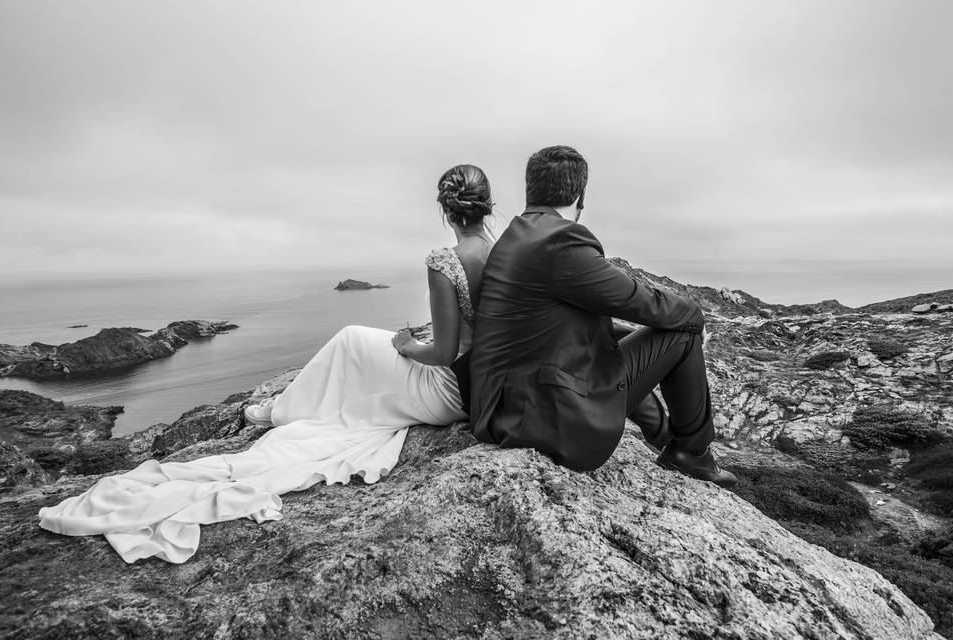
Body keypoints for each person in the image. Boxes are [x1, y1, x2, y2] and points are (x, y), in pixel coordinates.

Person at [38, 164, 496, 564]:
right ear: (485, 206)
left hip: (446, 386)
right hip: (476, 381)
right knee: (358, 347)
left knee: (352, 338)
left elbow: (440, 353)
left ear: (446, 210)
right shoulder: (502, 251)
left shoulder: (445, 260)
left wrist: (403, 345)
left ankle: (280, 411)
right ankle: (296, 407)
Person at [468, 145, 737, 488]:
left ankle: (662, 433)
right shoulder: (560, 240)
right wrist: (693, 315)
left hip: (504, 408)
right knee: (680, 334)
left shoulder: (516, 235)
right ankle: (692, 453)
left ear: (530, 190)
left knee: (617, 335)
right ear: (579, 196)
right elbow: (636, 300)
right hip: (545, 419)